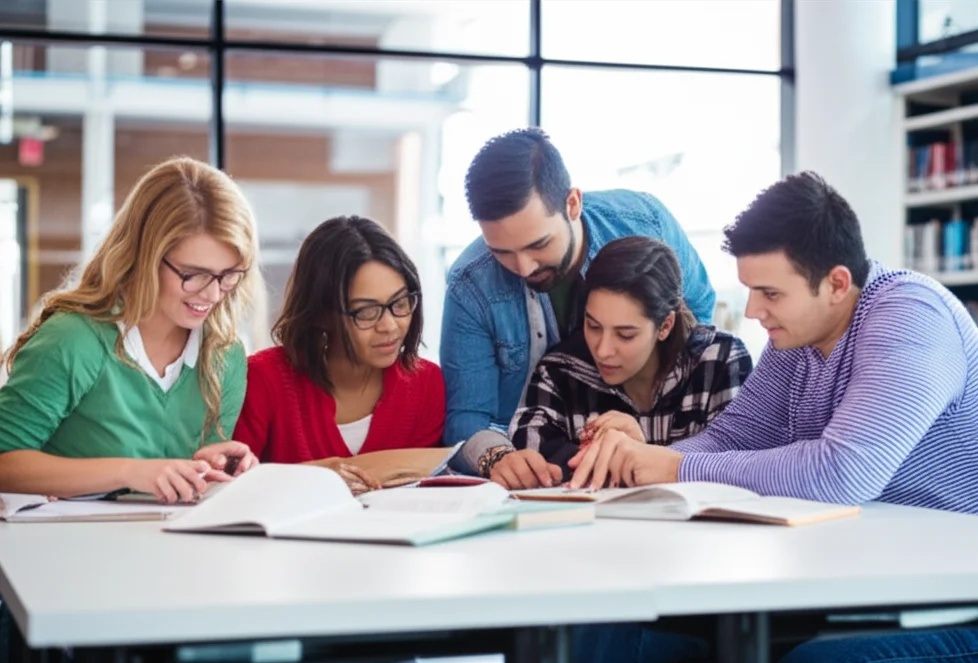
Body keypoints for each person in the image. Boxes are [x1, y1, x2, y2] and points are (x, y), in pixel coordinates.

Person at [567, 171, 978, 663]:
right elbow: (733, 436)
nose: (754, 310)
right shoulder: (801, 335)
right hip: (878, 575)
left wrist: (673, 465)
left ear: (836, 284)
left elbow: (841, 473)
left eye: (770, 293)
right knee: (611, 635)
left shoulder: (911, 315)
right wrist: (642, 460)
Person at [443, 127, 716, 479]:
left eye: (538, 244)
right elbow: (466, 416)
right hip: (541, 473)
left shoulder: (647, 224)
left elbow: (696, 326)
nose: (524, 267)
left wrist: (654, 434)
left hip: (652, 460)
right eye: (502, 253)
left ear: (572, 203)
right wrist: (496, 457)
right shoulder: (470, 284)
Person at [0, 157, 260, 502]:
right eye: (193, 274)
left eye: (228, 275)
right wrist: (131, 470)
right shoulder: (74, 339)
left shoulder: (225, 355)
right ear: (143, 256)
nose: (212, 294)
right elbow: (5, 462)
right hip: (63, 546)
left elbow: (189, 476)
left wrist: (211, 464)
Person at [489, 236, 750, 490]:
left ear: (665, 326)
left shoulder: (720, 362)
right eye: (593, 326)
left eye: (625, 335)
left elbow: (742, 464)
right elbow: (531, 454)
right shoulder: (558, 373)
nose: (603, 350)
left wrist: (643, 454)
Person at [233, 216, 446, 494]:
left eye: (400, 303)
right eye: (366, 312)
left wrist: (313, 475)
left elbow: (441, 472)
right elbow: (227, 485)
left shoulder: (425, 383)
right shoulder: (263, 380)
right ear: (320, 314)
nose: (390, 326)